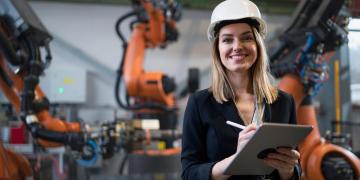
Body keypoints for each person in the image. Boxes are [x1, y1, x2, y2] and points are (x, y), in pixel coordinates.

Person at [181, 0, 301, 179]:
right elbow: (189, 173)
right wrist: (236, 160)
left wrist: (288, 170)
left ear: (258, 46)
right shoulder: (200, 103)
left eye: (246, 38)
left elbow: (294, 169)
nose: (237, 46)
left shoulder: (284, 102)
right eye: (227, 39)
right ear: (218, 49)